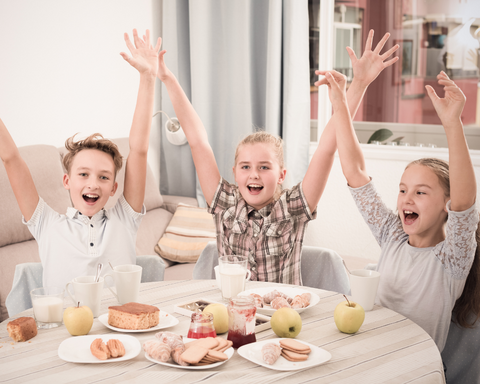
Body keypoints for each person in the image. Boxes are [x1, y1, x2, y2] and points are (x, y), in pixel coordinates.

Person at [156, 30, 398, 285]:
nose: (254, 174)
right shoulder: (224, 202)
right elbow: (198, 141)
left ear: (282, 174)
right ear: (235, 172)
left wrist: (358, 84)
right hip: (231, 313)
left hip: (281, 315)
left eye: (264, 167)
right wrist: (167, 78)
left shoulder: (293, 206)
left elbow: (327, 147)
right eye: (245, 166)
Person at [0, 29, 161, 289]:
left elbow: (139, 149)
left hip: (119, 326)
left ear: (114, 188)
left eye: (104, 177)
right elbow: (11, 159)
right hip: (67, 329)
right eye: (83, 174)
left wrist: (148, 77)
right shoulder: (46, 224)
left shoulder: (124, 219)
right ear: (66, 180)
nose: (93, 184)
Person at [333, 70, 479, 352]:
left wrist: (452, 124)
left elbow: (464, 203)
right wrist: (339, 102)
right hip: (370, 355)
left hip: (415, 370)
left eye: (421, 192)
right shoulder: (392, 235)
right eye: (403, 190)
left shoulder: (452, 258)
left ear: (447, 205)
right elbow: (355, 171)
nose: (407, 199)